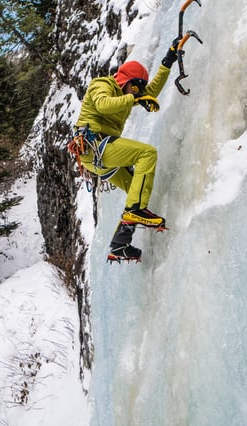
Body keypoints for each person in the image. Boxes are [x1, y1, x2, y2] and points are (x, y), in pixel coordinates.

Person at [74, 39, 179, 261]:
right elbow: (103, 104)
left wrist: (167, 62)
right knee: (147, 153)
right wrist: (135, 98)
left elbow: (150, 91)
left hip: (99, 155)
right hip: (95, 147)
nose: (138, 92)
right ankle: (134, 212)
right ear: (126, 81)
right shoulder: (101, 84)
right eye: (136, 86)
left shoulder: (128, 93)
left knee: (136, 187)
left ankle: (120, 243)